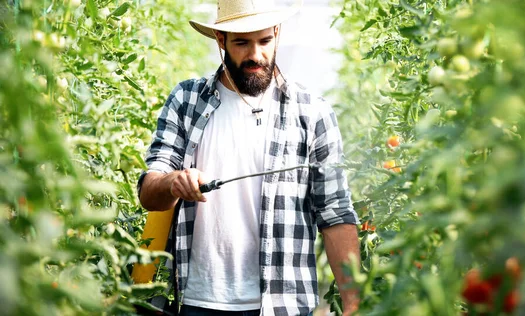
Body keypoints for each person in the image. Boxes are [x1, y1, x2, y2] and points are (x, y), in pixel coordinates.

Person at [138, 1, 360, 315]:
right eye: (242, 43)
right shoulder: (186, 101)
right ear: (220, 38)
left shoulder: (312, 112)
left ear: (277, 33)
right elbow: (150, 192)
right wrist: (174, 182)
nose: (255, 55)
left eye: (265, 41)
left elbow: (335, 213)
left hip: (283, 303)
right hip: (199, 303)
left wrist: (353, 303)